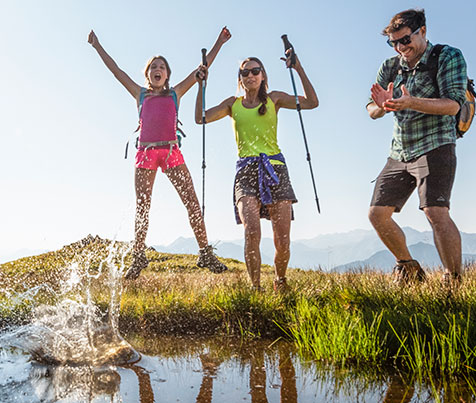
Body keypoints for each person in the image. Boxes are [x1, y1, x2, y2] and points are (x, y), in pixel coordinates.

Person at [87, 27, 233, 280]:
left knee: (192, 202)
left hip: (171, 152)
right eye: (153, 66)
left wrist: (219, 42)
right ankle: (138, 256)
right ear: (148, 74)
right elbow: (116, 71)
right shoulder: (140, 94)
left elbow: (202, 67)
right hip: (145, 155)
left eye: (162, 67)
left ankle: (205, 253)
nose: (158, 69)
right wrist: (97, 45)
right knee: (143, 207)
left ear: (167, 74)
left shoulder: (176, 92)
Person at [196, 51, 319, 292]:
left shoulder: (275, 99)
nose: (250, 75)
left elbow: (312, 102)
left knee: (282, 240)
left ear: (263, 76)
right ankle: (256, 288)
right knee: (251, 231)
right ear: (240, 78)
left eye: (255, 71)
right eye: (245, 72)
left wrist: (298, 68)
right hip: (245, 170)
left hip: (275, 168)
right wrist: (201, 86)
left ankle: (280, 280)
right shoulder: (233, 105)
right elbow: (201, 118)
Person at [366, 8, 468, 284]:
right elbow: (370, 109)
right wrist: (382, 106)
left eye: (405, 40)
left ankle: (453, 280)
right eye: (394, 42)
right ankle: (409, 267)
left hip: (436, 143)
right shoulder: (390, 66)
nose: (401, 47)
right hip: (400, 150)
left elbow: (452, 105)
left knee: (436, 212)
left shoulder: (447, 56)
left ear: (423, 31)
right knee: (377, 215)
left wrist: (411, 102)